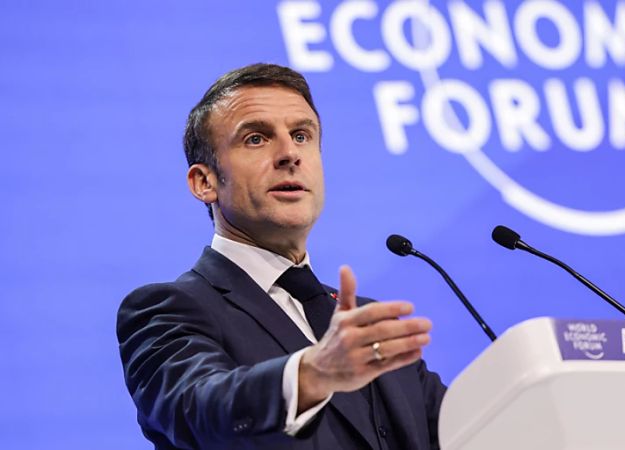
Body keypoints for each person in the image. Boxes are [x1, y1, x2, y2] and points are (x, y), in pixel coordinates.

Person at [117, 63, 445, 449]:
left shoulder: (364, 329)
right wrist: (313, 373)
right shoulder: (168, 310)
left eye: (302, 135)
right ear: (204, 182)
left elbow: (470, 428)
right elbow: (201, 411)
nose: (290, 153)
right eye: (256, 139)